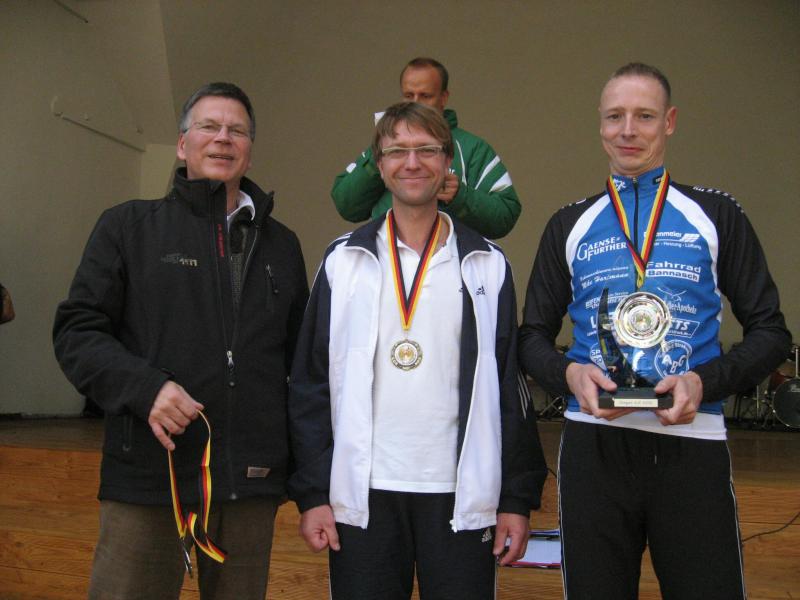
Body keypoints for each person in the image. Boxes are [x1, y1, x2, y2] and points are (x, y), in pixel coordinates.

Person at [519, 62, 792, 599]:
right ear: (600, 124)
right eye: (615, 116)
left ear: (669, 122)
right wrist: (569, 375)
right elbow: (530, 337)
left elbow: (771, 332)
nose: (628, 130)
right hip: (594, 446)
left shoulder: (716, 214)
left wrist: (702, 383)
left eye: (644, 116)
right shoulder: (569, 223)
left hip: (691, 444)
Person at [53, 82, 309, 600]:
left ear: (250, 148)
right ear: (181, 144)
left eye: (237, 130)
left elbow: (301, 363)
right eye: (208, 126)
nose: (223, 138)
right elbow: (77, 331)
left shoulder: (283, 245)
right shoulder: (128, 227)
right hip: (150, 474)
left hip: (249, 481)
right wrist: (145, 388)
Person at [290, 101, 546, 599]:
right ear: (379, 164)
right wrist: (313, 492)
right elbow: (310, 381)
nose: (412, 162)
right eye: (397, 151)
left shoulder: (487, 264)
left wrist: (515, 499)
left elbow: (509, 389)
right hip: (361, 495)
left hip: (461, 496)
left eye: (427, 149)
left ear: (448, 162)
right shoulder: (344, 261)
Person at [331, 57, 521, 239]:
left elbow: (506, 215)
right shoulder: (386, 145)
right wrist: (385, 155)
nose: (415, 103)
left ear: (444, 97)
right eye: (408, 95)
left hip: (452, 257)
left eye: (425, 96)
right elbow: (346, 205)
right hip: (387, 256)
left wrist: (461, 197)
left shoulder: (471, 148)